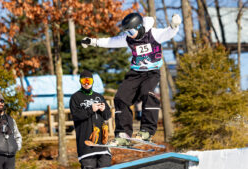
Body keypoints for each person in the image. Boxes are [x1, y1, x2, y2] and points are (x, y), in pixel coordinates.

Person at [81, 13, 181, 146]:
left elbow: (168, 33)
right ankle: (123, 134)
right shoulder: (128, 38)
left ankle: (146, 131)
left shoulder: (154, 34)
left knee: (147, 93)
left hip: (151, 73)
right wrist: (93, 41)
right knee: (120, 98)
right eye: (127, 32)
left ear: (139, 27)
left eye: (132, 31)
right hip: (135, 73)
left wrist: (174, 25)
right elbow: (111, 41)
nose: (130, 34)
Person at [69, 70, 112, 169]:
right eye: (84, 81)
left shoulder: (99, 96)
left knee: (106, 166)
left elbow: (107, 115)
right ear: (80, 81)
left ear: (93, 81)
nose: (87, 83)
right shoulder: (75, 97)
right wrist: (90, 109)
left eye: (89, 81)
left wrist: (104, 109)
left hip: (102, 144)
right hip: (86, 145)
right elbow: (75, 116)